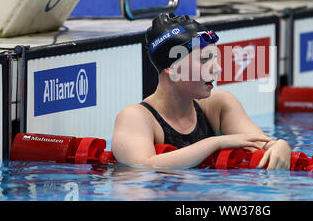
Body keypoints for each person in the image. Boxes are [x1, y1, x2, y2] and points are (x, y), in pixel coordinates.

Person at [111, 13, 291, 170]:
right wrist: (215, 142)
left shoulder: (219, 105)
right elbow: (140, 167)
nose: (218, 69)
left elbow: (261, 145)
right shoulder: (136, 118)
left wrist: (279, 146)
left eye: (216, 58)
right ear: (172, 69)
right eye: (204, 59)